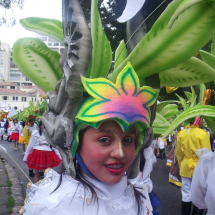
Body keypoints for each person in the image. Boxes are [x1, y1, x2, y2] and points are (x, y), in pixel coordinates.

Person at [20, 64, 157, 215]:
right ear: (75, 142)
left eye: (129, 140)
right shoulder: (57, 206)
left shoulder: (137, 197)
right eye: (105, 140)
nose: (120, 153)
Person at [176, 116, 211, 215]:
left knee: (186, 193)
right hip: (199, 167)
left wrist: (181, 165)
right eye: (202, 119)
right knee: (199, 195)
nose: (203, 121)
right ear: (197, 119)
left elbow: (179, 154)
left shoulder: (181, 134)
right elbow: (207, 154)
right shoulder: (203, 134)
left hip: (185, 166)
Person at [191, 148, 215, 215]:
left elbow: (179, 154)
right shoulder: (203, 136)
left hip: (188, 166)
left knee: (186, 191)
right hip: (198, 163)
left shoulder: (206, 159)